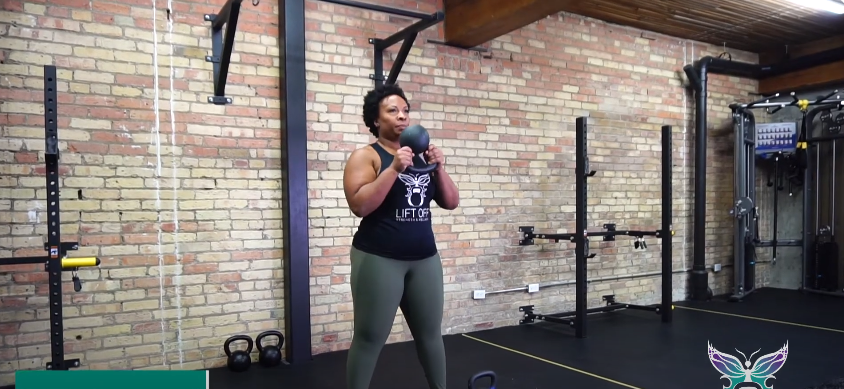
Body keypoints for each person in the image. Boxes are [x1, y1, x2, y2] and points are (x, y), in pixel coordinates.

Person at [342, 83, 460, 389]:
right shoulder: (366, 156)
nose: (402, 116)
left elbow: (450, 202)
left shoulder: (422, 158)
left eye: (405, 110)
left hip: (424, 260)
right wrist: (393, 168)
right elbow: (361, 205)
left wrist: (439, 167)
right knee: (369, 338)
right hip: (379, 258)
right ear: (376, 120)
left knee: (431, 335)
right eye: (392, 110)